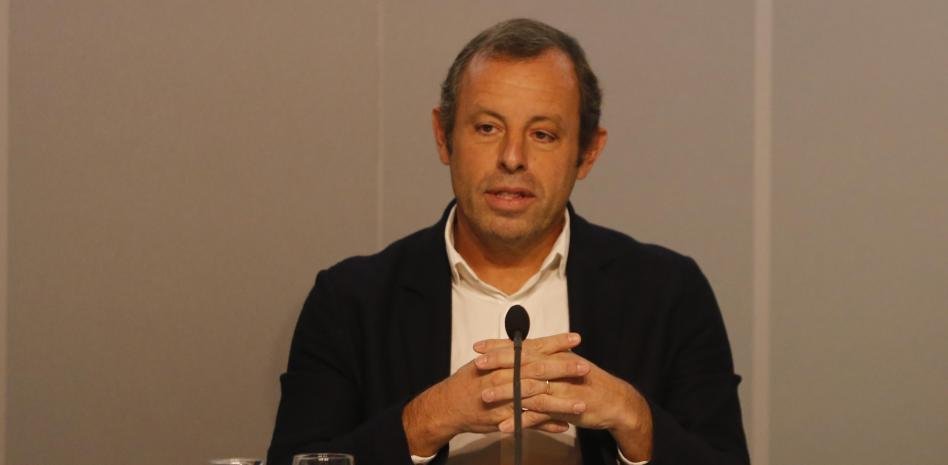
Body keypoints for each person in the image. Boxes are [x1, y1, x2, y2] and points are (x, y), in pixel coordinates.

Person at [267, 18, 749, 465]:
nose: (512, 157)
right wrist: (427, 420)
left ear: (587, 152)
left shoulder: (669, 294)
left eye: (543, 134)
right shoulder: (350, 301)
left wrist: (636, 421)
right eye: (487, 128)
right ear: (443, 136)